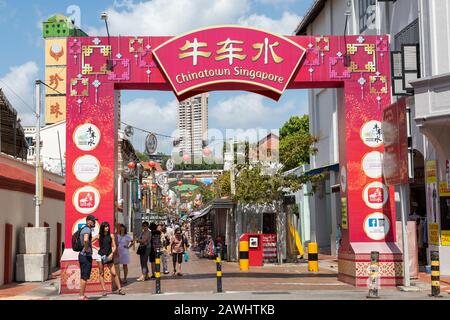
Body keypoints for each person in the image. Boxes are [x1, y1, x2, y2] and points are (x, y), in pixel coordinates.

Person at [97, 221, 125, 296]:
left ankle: (120, 289)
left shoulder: (111, 235)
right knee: (101, 273)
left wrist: (112, 254)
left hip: (109, 256)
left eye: (108, 226)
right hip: (100, 256)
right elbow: (90, 242)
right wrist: (96, 248)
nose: (107, 228)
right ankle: (104, 290)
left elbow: (115, 246)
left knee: (114, 273)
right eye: (106, 226)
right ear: (102, 227)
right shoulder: (99, 236)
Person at [78, 215, 97, 300]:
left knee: (84, 276)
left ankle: (82, 295)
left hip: (83, 256)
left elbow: (88, 241)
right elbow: (86, 240)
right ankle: (81, 296)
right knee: (84, 276)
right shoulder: (87, 229)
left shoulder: (85, 229)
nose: (94, 222)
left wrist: (95, 238)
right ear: (88, 221)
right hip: (85, 256)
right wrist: (86, 249)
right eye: (93, 221)